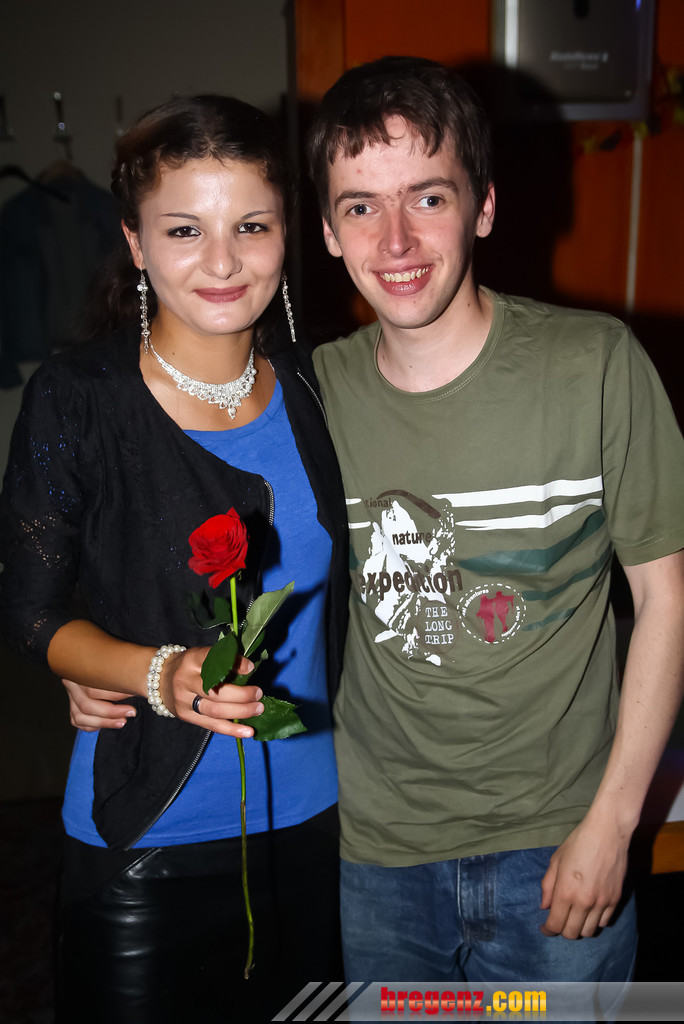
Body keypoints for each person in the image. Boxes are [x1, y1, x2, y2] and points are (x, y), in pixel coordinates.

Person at [305, 57, 684, 984]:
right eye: (361, 206)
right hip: (380, 852)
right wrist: (106, 659)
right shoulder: (316, 390)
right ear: (327, 231)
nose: (395, 239)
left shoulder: (594, 364)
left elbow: (667, 600)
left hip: (559, 841)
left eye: (428, 198)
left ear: (483, 206)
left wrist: (613, 824)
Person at [0, 94, 347, 1023]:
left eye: (252, 226)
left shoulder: (318, 383)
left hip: (319, 827)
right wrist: (152, 671)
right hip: (147, 841)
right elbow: (29, 609)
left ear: (287, 233)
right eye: (185, 229)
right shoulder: (80, 398)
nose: (223, 261)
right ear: (136, 241)